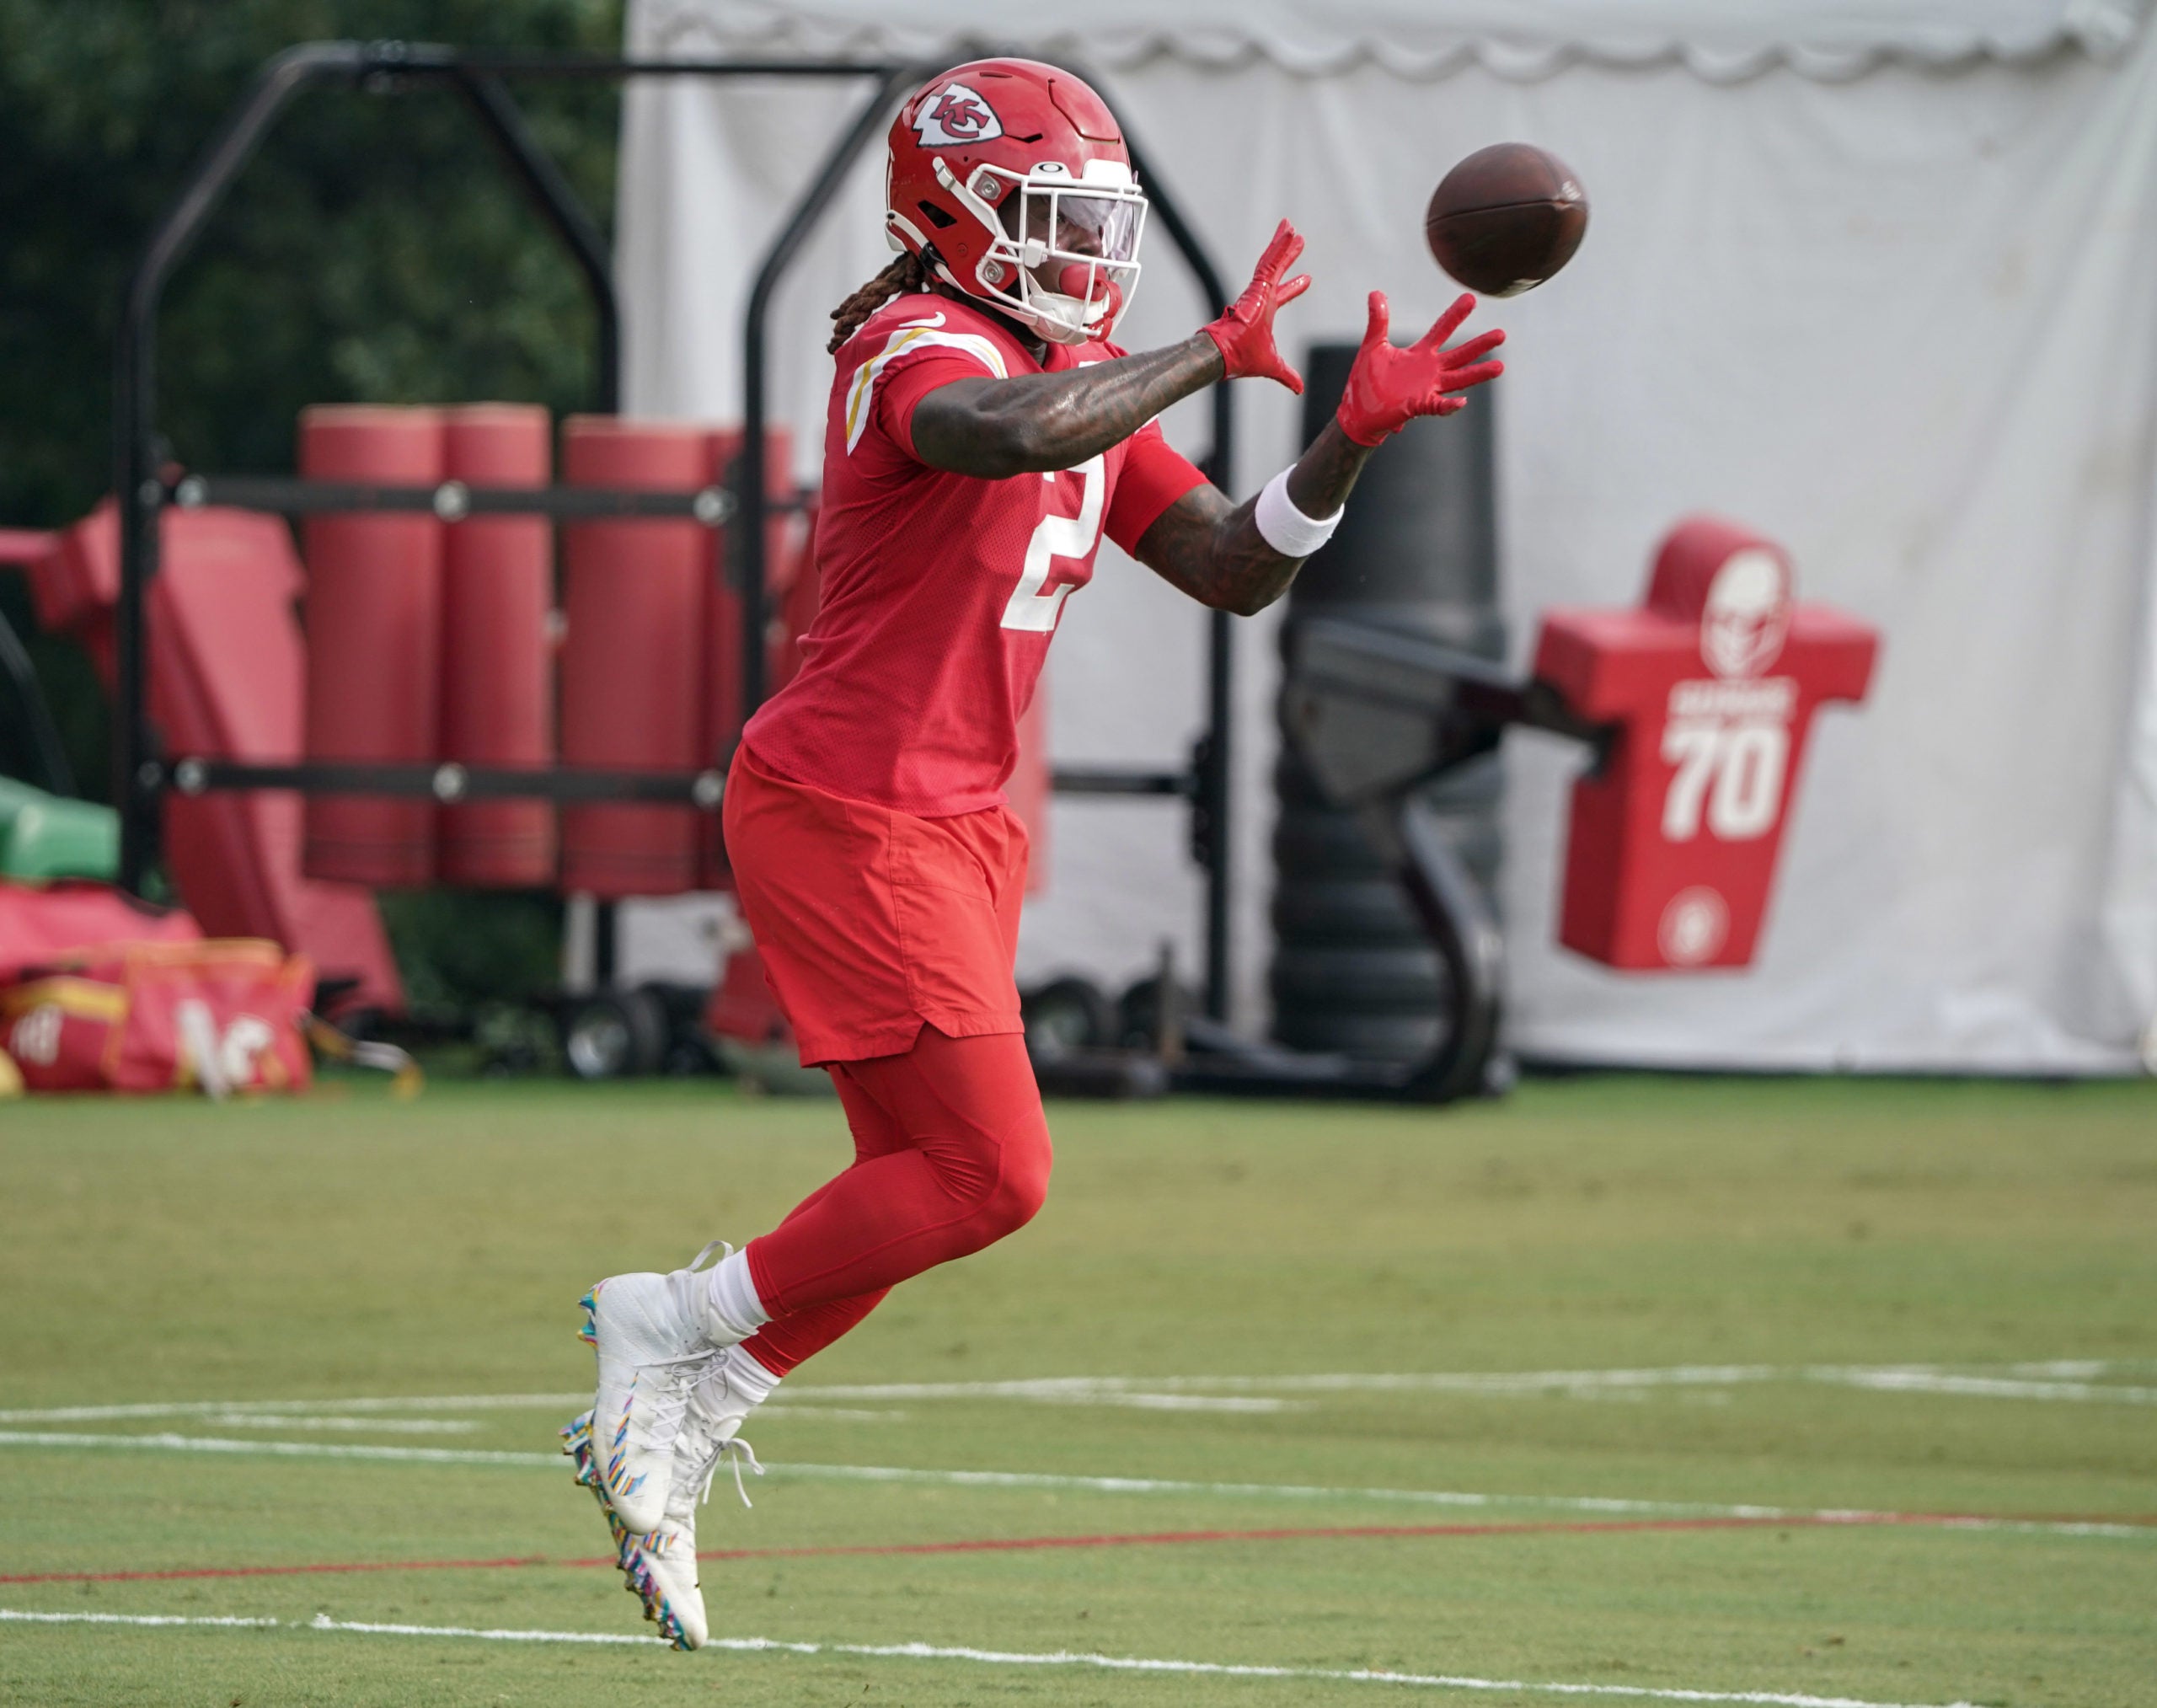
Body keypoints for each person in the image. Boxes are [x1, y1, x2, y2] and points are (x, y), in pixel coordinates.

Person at [563, 56, 1505, 1650]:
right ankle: (672, 1325)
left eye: (1092, 218)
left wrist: (1343, 444)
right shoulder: (916, 339)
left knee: (913, 1179)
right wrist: (1208, 350)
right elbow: (998, 433)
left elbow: (1229, 567)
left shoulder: (1072, 368)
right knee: (995, 1172)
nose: (1079, 249)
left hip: (949, 815)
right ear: (953, 217)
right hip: (853, 804)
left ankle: (697, 1400)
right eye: (1048, 215)